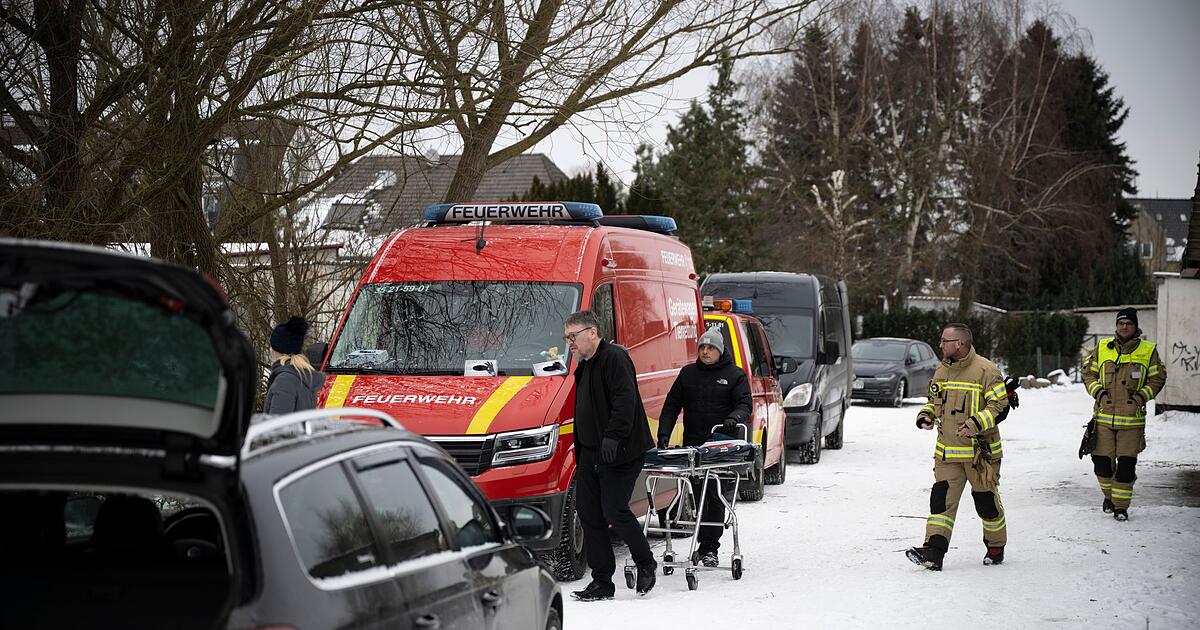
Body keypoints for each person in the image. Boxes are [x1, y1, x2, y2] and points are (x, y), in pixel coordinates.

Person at [563, 310, 656, 601]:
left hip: (621, 452)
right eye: (567, 338)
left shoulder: (615, 358)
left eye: (573, 336)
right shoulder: (584, 366)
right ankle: (602, 581)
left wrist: (613, 436)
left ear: (592, 332)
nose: (570, 343)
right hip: (591, 453)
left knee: (614, 510)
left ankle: (645, 562)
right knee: (589, 513)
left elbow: (625, 400)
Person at [906, 323, 1009, 571]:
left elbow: (1000, 407)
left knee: (985, 502)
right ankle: (933, 552)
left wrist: (975, 424)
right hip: (947, 453)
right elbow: (933, 401)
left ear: (959, 344)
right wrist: (926, 415)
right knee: (941, 503)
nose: (940, 345)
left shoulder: (987, 370)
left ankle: (995, 546)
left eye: (945, 341)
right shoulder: (942, 370)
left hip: (980, 455)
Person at [656, 328, 751, 567]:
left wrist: (735, 417)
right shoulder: (688, 374)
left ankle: (710, 548)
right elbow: (671, 405)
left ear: (720, 350)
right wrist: (664, 433)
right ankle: (702, 543)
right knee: (697, 494)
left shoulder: (734, 375)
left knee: (715, 495)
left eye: (710, 348)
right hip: (694, 447)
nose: (705, 351)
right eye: (702, 347)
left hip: (721, 446)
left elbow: (745, 404)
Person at [1080, 307, 1167, 521]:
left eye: (1129, 323)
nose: (1124, 326)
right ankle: (1109, 497)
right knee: (1101, 464)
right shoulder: (1103, 347)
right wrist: (1099, 393)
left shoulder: (1148, 350)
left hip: (1131, 421)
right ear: (1116, 326)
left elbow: (1157, 379)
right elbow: (1088, 374)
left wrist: (1140, 397)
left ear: (1135, 326)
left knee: (1126, 467)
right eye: (1121, 323)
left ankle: (1121, 507)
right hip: (1103, 419)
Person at [264, 316, 325, 413]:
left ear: (277, 349)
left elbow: (278, 421)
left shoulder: (284, 381)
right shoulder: (304, 375)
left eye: (272, 346)